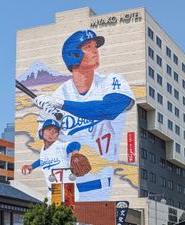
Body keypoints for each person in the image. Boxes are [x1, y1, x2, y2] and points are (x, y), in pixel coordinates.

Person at [33, 30, 135, 201]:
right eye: (88, 47)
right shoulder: (57, 95)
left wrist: (62, 105)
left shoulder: (111, 81)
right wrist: (49, 118)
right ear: (74, 55)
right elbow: (47, 143)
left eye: (95, 46)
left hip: (101, 186)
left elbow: (108, 109)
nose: (96, 50)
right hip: (64, 186)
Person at [21, 113, 82, 202]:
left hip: (67, 189)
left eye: (55, 131)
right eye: (49, 130)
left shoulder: (59, 146)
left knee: (67, 215)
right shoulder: (44, 150)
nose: (52, 133)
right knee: (53, 214)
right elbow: (42, 160)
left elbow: (75, 144)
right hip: (53, 190)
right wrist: (32, 166)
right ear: (42, 132)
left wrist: (75, 153)